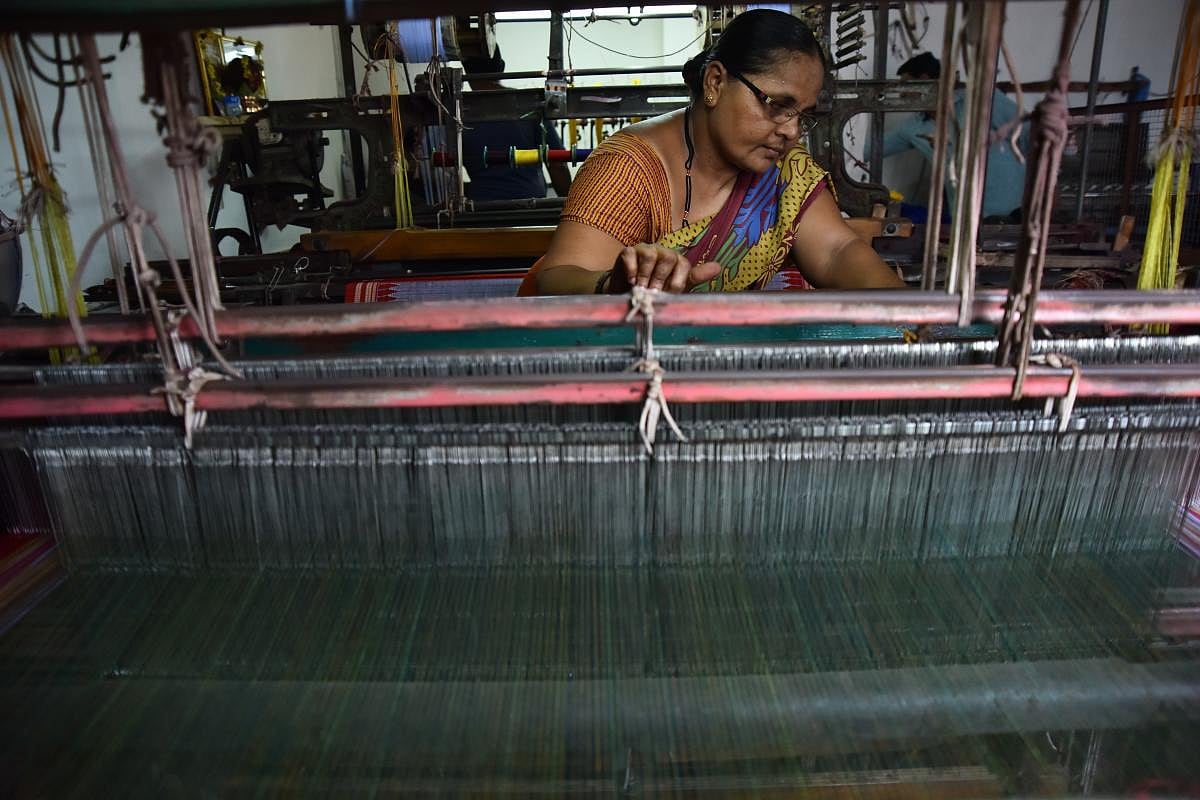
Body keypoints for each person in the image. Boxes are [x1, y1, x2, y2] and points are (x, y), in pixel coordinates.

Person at [521, 9, 903, 296]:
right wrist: (611, 285)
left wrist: (914, 318)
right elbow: (558, 277)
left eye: (803, 115)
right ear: (716, 82)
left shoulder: (785, 174)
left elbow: (837, 250)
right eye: (777, 105)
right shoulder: (628, 168)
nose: (791, 130)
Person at [875, 52, 1027, 222]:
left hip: (1013, 209)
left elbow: (1029, 131)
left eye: (905, 86)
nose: (901, 95)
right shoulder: (913, 127)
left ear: (924, 80)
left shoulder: (981, 101)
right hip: (965, 217)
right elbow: (872, 149)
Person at [461, 47, 572, 202]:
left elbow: (449, 169)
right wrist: (571, 207)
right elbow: (557, 165)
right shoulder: (527, 103)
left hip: (481, 205)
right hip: (531, 203)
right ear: (501, 67)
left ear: (466, 70)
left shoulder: (459, 111)